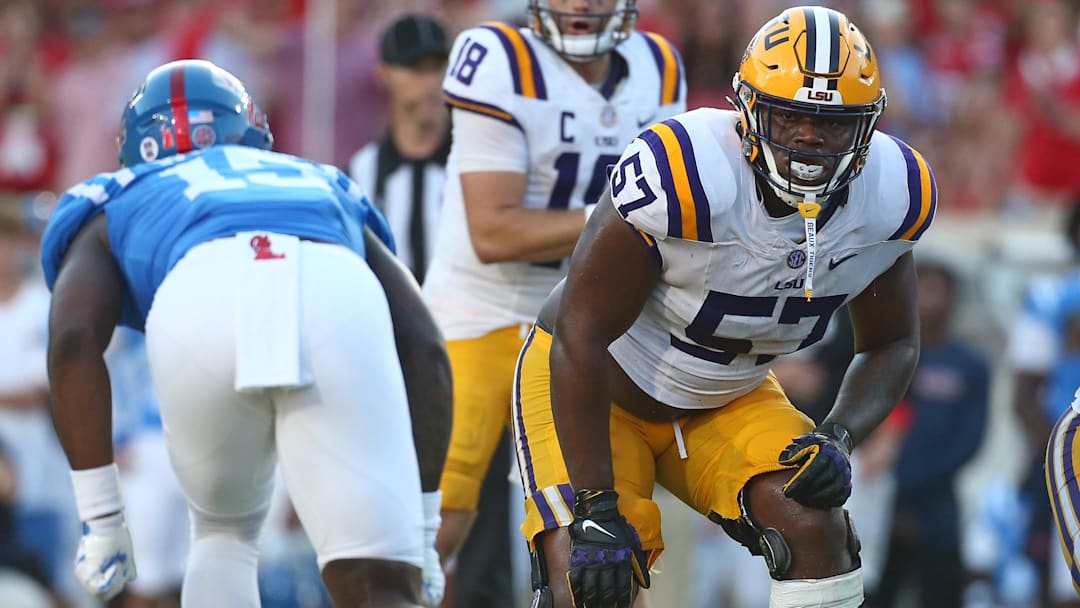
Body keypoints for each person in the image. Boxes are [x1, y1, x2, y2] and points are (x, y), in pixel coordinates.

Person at [512, 5, 937, 607]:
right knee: (589, 582)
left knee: (817, 525)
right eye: (788, 116)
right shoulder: (685, 172)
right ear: (747, 111)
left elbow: (893, 341)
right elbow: (581, 335)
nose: (808, 139)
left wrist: (839, 436)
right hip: (596, 392)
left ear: (867, 128)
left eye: (831, 123)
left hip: (726, 395)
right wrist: (595, 508)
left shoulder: (893, 194)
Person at [39, 59, 452, 608]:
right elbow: (424, 344)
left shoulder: (118, 191)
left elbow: (72, 339)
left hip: (197, 297)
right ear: (254, 129)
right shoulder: (319, 178)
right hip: (333, 287)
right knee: (376, 577)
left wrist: (102, 519)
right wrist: (421, 527)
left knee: (222, 535)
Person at [422, 0, 687, 588]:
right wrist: (619, 220)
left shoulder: (658, 65)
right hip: (480, 308)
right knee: (433, 521)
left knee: (597, 537)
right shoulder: (496, 57)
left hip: (591, 321)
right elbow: (493, 232)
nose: (583, 5)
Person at [348, 15, 516, 606]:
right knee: (402, 517)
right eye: (414, 69)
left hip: (472, 347)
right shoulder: (364, 172)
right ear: (386, 77)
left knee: (484, 521)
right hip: (398, 373)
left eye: (437, 67)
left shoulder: (479, 161)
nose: (429, 83)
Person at [868, 260, 989, 608]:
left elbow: (969, 440)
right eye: (922, 288)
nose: (929, 299)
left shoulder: (970, 364)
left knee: (941, 594)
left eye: (938, 290)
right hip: (880, 500)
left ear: (954, 299)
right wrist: (890, 490)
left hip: (937, 507)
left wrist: (914, 486)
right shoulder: (885, 356)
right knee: (875, 592)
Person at [1011, 203, 1080, 606]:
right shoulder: (1049, 296)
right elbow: (1023, 394)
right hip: (1073, 448)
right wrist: (1059, 458)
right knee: (1060, 582)